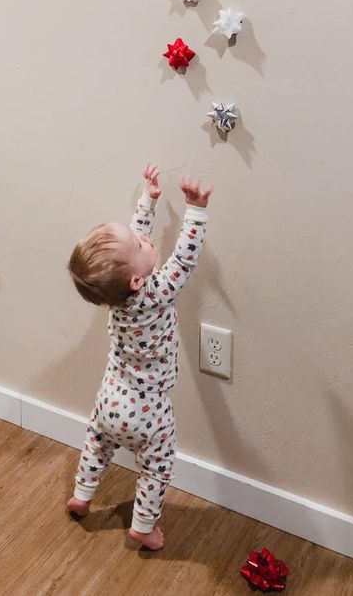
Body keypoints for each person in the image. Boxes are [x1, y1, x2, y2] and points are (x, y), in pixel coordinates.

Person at [66, 164, 213, 551]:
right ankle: (144, 526)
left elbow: (131, 250)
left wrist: (147, 201)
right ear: (137, 280)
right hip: (148, 410)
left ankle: (83, 495)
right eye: (141, 244)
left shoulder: (117, 297)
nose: (147, 242)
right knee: (156, 466)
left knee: (96, 443)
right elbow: (183, 260)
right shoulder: (158, 291)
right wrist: (195, 209)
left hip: (110, 398)